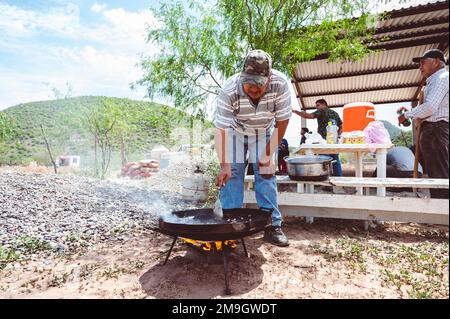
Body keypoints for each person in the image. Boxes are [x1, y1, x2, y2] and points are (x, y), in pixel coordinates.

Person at [214, 49, 291, 247]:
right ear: (242, 77)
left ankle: (272, 225)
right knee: (233, 173)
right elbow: (221, 130)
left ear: (269, 78)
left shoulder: (280, 83)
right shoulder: (229, 89)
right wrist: (224, 165)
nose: (254, 90)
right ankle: (229, 225)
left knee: (265, 173)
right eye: (249, 84)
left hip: (264, 131)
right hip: (235, 132)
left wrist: (267, 154)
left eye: (259, 85)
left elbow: (282, 121)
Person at [398, 49, 449, 199]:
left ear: (436, 62)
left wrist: (406, 115)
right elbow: (430, 106)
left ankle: (442, 213)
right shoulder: (434, 81)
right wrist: (412, 111)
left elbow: (430, 107)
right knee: (438, 172)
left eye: (423, 62)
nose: (420, 66)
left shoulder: (441, 78)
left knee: (439, 176)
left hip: (436, 131)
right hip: (434, 130)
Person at [293, 99, 343, 176]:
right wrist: (338, 136)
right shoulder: (335, 113)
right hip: (333, 141)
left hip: (323, 142)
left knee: (324, 161)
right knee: (335, 160)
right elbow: (341, 126)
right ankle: (339, 181)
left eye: (318, 105)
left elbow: (308, 116)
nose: (317, 108)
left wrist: (295, 111)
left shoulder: (322, 110)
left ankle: (327, 182)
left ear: (324, 104)